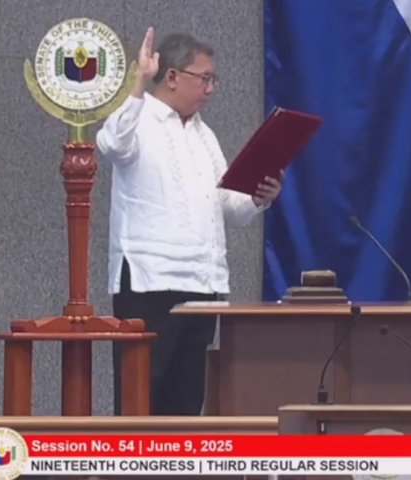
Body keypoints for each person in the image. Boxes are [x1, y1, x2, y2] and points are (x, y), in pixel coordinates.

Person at [96, 28, 284, 415]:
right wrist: (138, 82)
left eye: (213, 79)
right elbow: (111, 143)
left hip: (202, 283)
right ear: (172, 77)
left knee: (186, 399)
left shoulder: (204, 135)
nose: (211, 88)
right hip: (151, 282)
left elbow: (228, 207)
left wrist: (257, 196)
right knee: (142, 395)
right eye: (205, 78)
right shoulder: (139, 119)